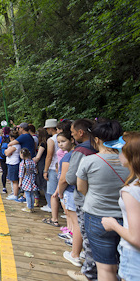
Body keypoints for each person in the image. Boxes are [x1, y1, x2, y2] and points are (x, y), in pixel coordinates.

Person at [76, 120, 129, 281]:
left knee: (105, 268)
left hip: (97, 216)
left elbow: (81, 188)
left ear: (97, 139)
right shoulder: (130, 161)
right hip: (127, 219)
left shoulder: (89, 161)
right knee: (124, 263)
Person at [101, 132, 140, 281]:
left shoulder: (131, 191)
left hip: (134, 257)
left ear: (130, 155)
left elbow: (136, 238)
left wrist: (113, 224)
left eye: (120, 151)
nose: (118, 154)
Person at [65, 119, 98, 281]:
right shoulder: (99, 146)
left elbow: (71, 177)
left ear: (81, 132)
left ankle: (88, 272)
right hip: (99, 196)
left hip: (84, 197)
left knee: (86, 232)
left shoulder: (81, 150)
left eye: (72, 132)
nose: (71, 135)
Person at [54, 131, 83, 267]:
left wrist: (59, 192)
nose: (60, 144)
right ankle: (76, 244)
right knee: (73, 220)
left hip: (70, 192)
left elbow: (63, 178)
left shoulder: (69, 157)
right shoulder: (77, 154)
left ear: (72, 139)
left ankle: (75, 253)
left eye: (63, 141)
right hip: (73, 192)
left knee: (75, 222)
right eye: (58, 142)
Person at [41, 118, 59, 213]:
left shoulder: (51, 140)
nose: (47, 130)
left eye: (47, 128)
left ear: (51, 128)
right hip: (62, 167)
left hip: (52, 168)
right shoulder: (64, 137)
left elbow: (49, 156)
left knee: (53, 193)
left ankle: (52, 210)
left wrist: (45, 170)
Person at [5, 131, 24, 202]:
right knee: (13, 180)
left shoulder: (15, 146)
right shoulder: (15, 145)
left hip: (13, 163)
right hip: (12, 163)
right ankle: (14, 193)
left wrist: (6, 150)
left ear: (12, 138)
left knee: (14, 180)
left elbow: (6, 153)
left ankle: (15, 195)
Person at [19, 148, 38, 212]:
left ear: (22, 155)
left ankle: (29, 207)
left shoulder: (22, 163)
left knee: (27, 194)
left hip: (25, 179)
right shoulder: (32, 162)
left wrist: (20, 182)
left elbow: (21, 174)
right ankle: (32, 207)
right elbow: (35, 171)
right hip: (32, 178)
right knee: (32, 194)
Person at [33, 127, 49, 206]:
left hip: (42, 163)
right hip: (45, 162)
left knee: (43, 183)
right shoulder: (48, 142)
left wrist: (32, 159)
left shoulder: (43, 144)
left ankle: (49, 203)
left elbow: (38, 157)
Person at [0, 127, 10, 194]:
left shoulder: (1, 138)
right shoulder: (11, 138)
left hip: (2, 157)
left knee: (4, 172)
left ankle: (4, 187)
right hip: (10, 157)